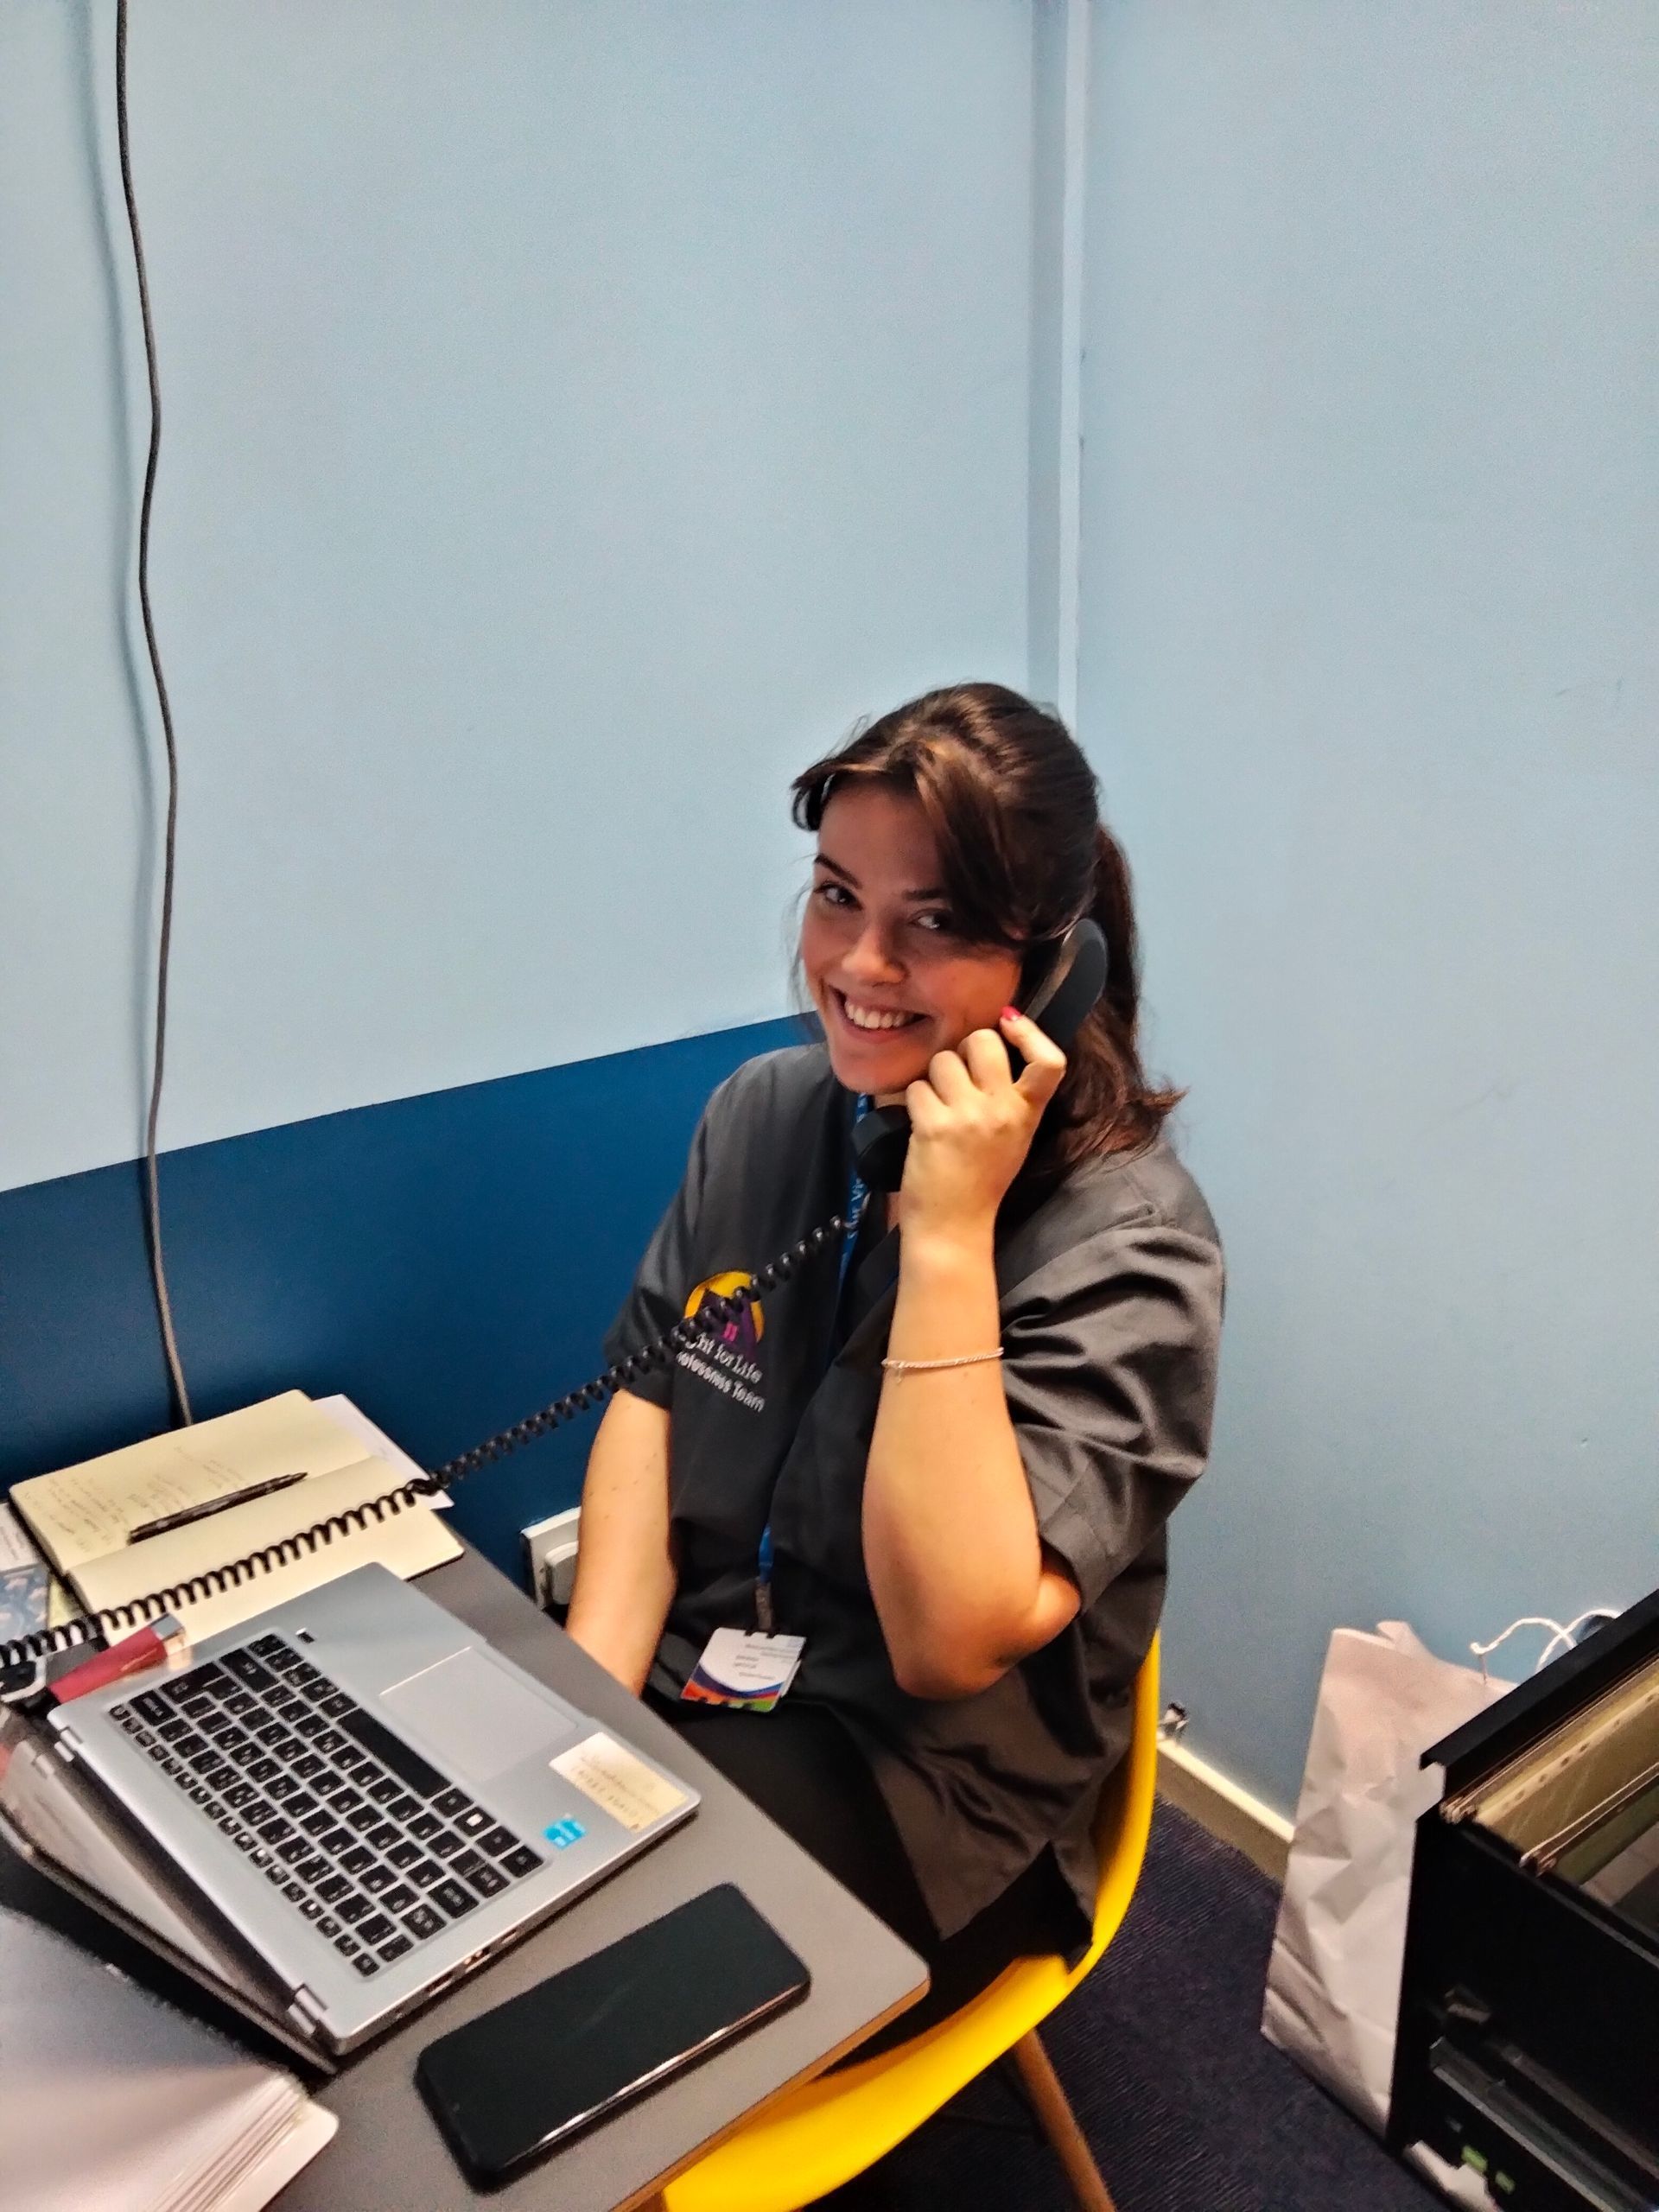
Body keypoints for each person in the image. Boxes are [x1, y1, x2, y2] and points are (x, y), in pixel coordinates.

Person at [566, 682, 1223, 2044]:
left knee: (554, 2013)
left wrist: (950, 1234)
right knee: (470, 1869)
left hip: (925, 1787)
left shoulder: (1133, 1247)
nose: (861, 965)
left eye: (935, 923)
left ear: (1053, 970)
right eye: (836, 897)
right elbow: (651, 1399)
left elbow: (944, 1644)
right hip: (708, 1675)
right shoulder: (764, 1114)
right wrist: (585, 1716)